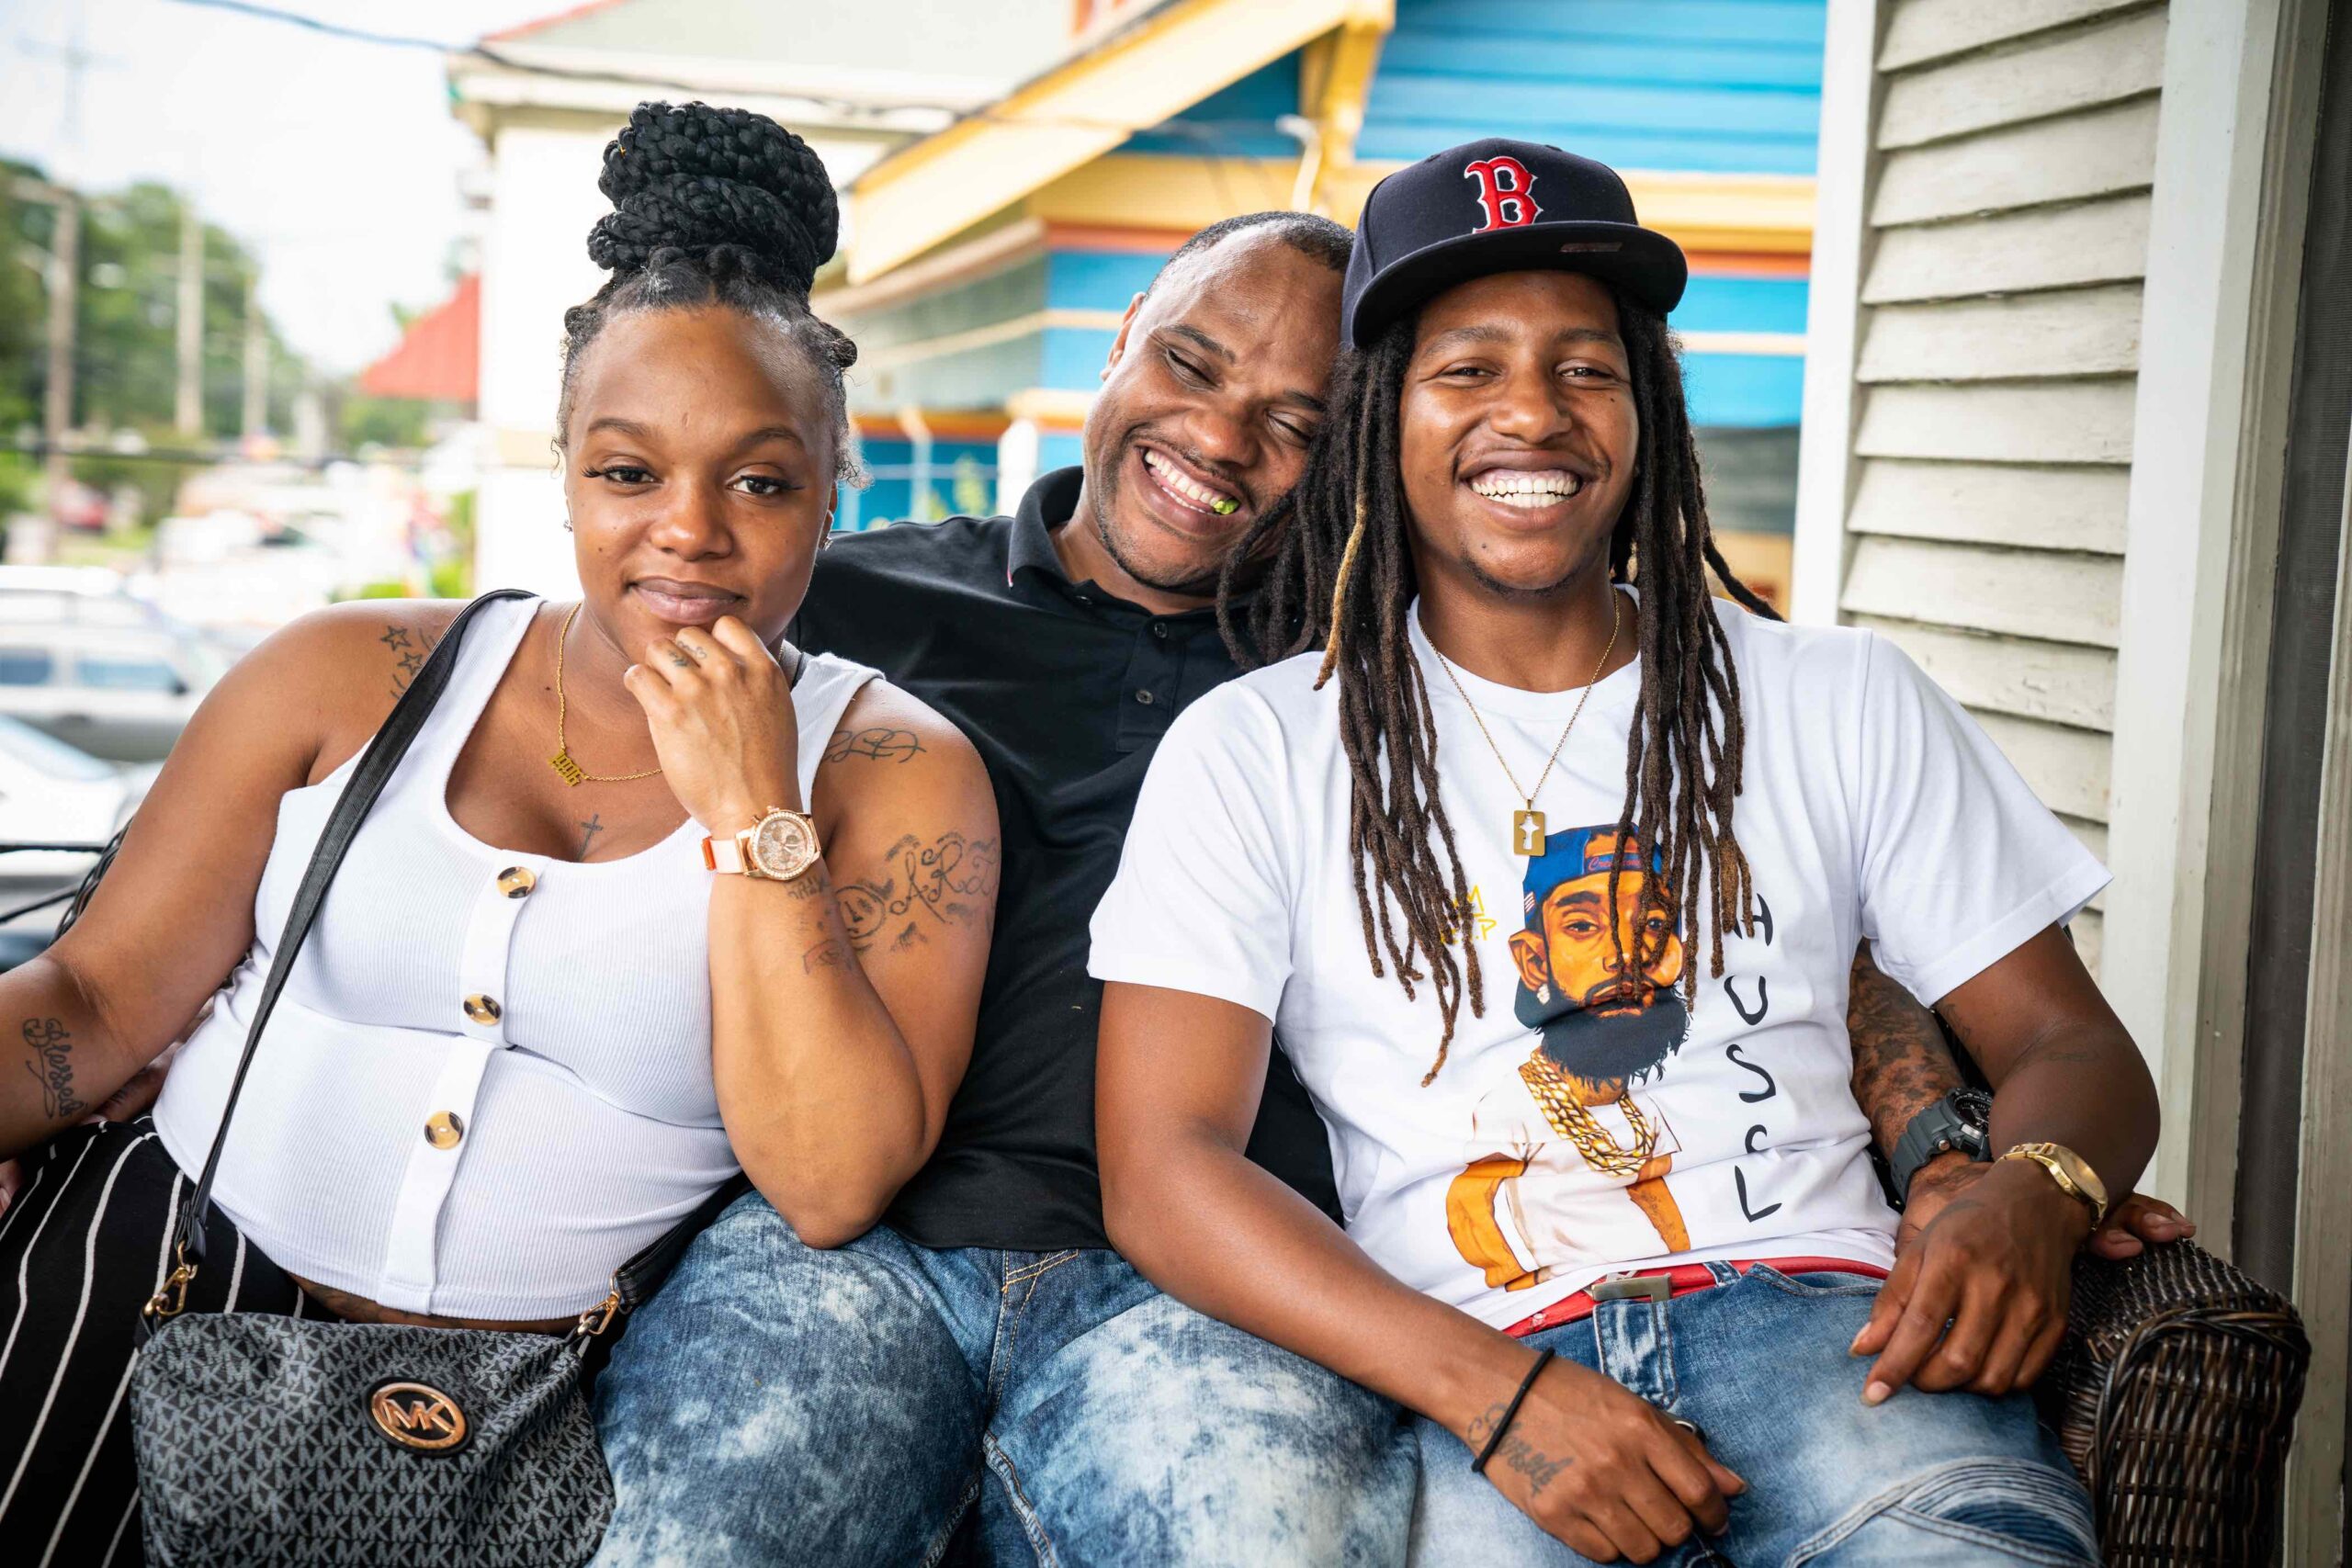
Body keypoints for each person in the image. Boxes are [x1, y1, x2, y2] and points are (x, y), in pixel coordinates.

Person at [594, 204, 2181, 1566]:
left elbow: (1787, 916)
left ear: (1355, 447)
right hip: (873, 1229)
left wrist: (1987, 1163)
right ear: (1118, 344)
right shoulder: (846, 608)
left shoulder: (1376, 659)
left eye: (1297, 419)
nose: (1221, 440)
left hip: (1231, 1288)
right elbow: (581, 694)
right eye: (1193, 365)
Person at [1090, 140, 2159, 1567]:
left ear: (1646, 406)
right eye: (1467, 369)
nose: (1531, 413)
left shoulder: (1834, 696)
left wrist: (2038, 1186)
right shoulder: (1259, 746)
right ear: (1380, 422)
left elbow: (2076, 1049)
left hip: (1846, 1352)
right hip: (1487, 1380)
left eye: (1583, 368)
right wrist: (1497, 1396)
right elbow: (1163, 1165)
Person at [0, 101, 996, 1564]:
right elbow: (91, 1000)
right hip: (155, 1281)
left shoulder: (899, 773)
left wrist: (751, 812)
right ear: (568, 470)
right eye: (629, 471)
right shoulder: (344, 673)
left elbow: (832, 1178)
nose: (689, 531)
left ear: (834, 490)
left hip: (525, 1410)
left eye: (761, 480)